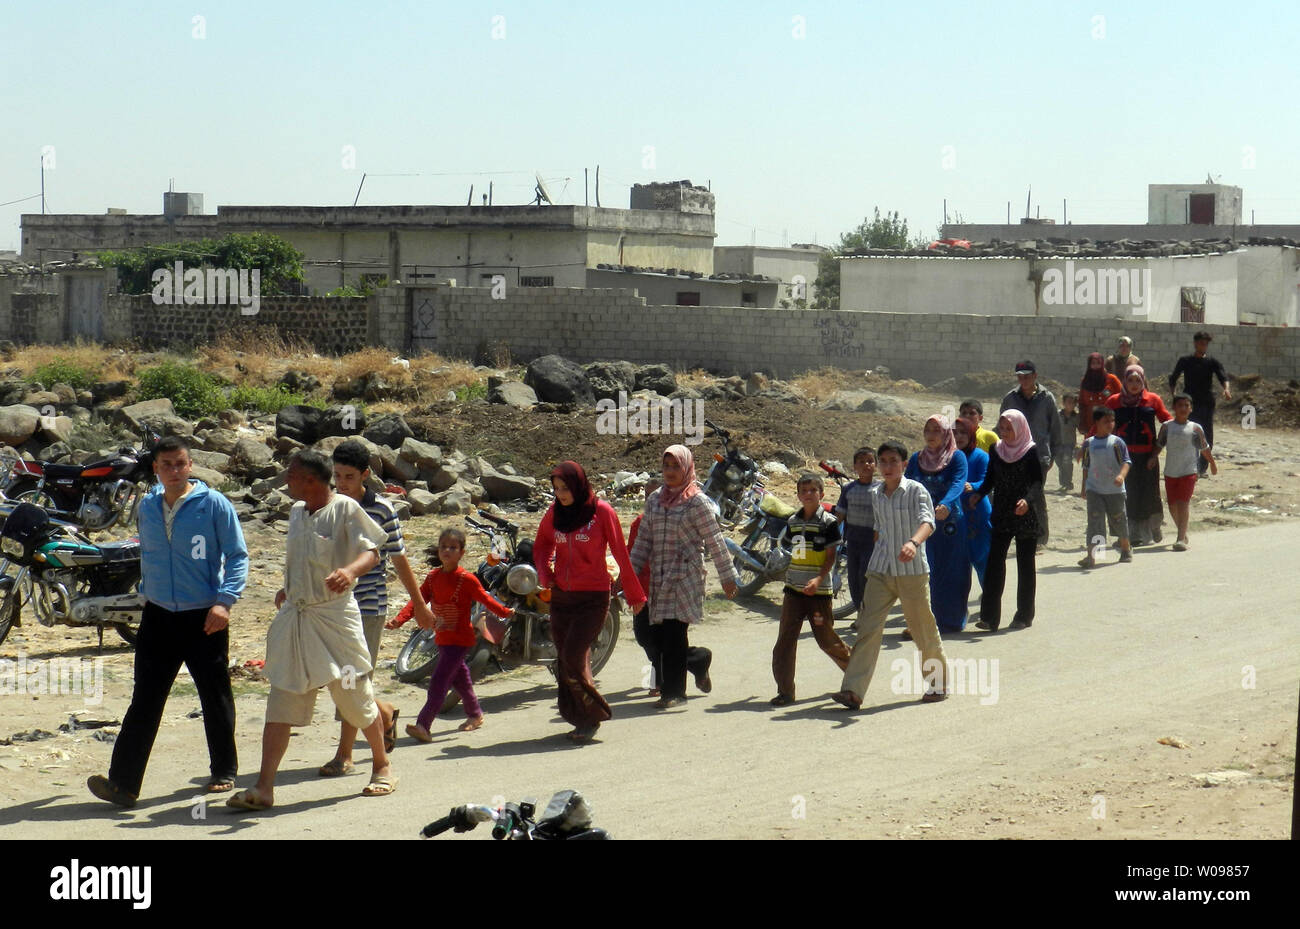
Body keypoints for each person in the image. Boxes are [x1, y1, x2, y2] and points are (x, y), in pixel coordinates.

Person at [227, 450, 394, 810]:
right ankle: (264, 786)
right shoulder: (297, 513)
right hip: (298, 619)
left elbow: (373, 553)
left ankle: (381, 765)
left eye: (292, 475)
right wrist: (290, 588)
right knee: (282, 699)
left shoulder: (345, 509)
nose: (287, 480)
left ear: (311, 481)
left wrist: (350, 572)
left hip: (335, 620)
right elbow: (301, 559)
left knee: (353, 695)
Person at [87, 436, 248, 808]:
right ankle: (123, 785)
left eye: (181, 464)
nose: (175, 471)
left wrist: (224, 602)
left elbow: (237, 556)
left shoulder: (214, 505)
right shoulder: (147, 506)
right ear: (156, 469)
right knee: (145, 699)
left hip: (204, 615)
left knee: (214, 694)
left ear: (190, 465)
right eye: (167, 465)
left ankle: (224, 769)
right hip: (158, 615)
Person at [319, 441, 433, 777]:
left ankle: (345, 755)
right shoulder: (327, 506)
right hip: (331, 607)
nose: (341, 482)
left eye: (349, 476)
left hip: (369, 607)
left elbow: (399, 559)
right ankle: (383, 713)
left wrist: (420, 607)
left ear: (366, 475)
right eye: (337, 475)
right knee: (338, 677)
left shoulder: (382, 509)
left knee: (352, 679)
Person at [831, 441, 948, 710]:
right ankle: (852, 691)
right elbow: (879, 529)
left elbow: (928, 521)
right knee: (867, 629)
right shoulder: (876, 494)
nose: (887, 466)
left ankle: (938, 684)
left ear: (904, 464)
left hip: (911, 572)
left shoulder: (916, 490)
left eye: (893, 461)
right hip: (881, 570)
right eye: (883, 461)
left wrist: (913, 543)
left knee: (923, 631)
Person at [533, 460, 645, 741]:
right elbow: (541, 544)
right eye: (557, 489)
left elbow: (620, 553)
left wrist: (634, 594)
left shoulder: (601, 512)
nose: (561, 494)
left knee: (573, 655)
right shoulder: (554, 513)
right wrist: (545, 575)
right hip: (561, 598)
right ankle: (579, 718)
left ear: (579, 485)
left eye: (566, 488)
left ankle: (593, 716)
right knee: (565, 660)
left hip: (593, 599)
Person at [628, 446, 738, 709]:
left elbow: (715, 541)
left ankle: (674, 692)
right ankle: (698, 660)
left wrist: (727, 576)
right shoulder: (655, 499)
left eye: (676, 466)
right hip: (659, 575)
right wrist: (629, 576)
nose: (670, 472)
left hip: (685, 575)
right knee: (653, 635)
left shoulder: (697, 502)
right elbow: (643, 540)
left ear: (687, 468)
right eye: (666, 466)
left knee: (674, 634)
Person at [391, 528, 513, 741]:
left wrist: (505, 612)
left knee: (438, 681)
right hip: (442, 638)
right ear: (438, 551)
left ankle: (423, 724)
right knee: (461, 679)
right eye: (443, 547)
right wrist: (399, 619)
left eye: (453, 547)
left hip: (459, 640)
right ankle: (475, 715)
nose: (447, 551)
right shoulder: (432, 577)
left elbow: (486, 599)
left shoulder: (466, 579)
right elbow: (417, 601)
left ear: (461, 553)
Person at [768, 472, 851, 706]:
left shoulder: (829, 523)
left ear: (821, 494)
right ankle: (785, 691)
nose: (808, 495)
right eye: (803, 491)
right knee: (784, 642)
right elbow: (795, 553)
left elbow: (831, 556)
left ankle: (856, 673)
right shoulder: (793, 522)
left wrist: (818, 579)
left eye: (813, 490)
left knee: (827, 640)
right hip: (793, 590)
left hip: (819, 592)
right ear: (798, 495)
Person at [969, 411, 1042, 631]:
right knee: (994, 563)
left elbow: (1038, 482)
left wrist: (1027, 501)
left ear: (1020, 428)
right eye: (1002, 428)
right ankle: (989, 617)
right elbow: (991, 477)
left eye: (1009, 428)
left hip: (1024, 513)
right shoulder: (996, 450)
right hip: (1001, 511)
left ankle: (1024, 615)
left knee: (1025, 564)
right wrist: (979, 493)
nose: (1005, 433)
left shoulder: (1030, 450)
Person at [905, 415, 970, 633]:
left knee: (952, 572)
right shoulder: (917, 459)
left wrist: (946, 503)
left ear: (945, 434)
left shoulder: (956, 457)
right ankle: (923, 623)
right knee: (924, 573)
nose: (931, 435)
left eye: (936, 430)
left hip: (949, 523)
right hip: (922, 524)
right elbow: (906, 484)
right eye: (928, 430)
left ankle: (951, 620)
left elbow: (959, 481)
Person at [1105, 366, 1172, 547]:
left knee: (1150, 494)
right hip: (1121, 458)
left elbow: (1168, 423)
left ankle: (1154, 527)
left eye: (1137, 381)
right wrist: (1089, 446)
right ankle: (1128, 535)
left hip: (1147, 457)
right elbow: (1102, 425)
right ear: (1124, 381)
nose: (1134, 385)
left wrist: (1157, 450)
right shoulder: (1113, 402)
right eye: (1130, 380)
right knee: (1127, 495)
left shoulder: (1152, 400)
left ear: (1143, 381)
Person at [999, 361, 1060, 549]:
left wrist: (1053, 457)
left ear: (1035, 376)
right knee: (1015, 494)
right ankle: (1020, 534)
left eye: (1027, 376)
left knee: (1036, 495)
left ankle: (1040, 537)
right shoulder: (1010, 398)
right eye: (1020, 376)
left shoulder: (1047, 398)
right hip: (1014, 455)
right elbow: (1001, 425)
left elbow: (1055, 429)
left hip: (1039, 455)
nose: (1023, 380)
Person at [1156, 392, 1218, 551]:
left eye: (1186, 405)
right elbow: (1159, 445)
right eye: (1180, 405)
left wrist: (1212, 463)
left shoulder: (1195, 429)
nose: (1183, 408)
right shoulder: (1167, 427)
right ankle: (1182, 531)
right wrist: (1151, 459)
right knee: (1172, 505)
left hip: (1189, 471)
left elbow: (1204, 448)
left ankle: (1180, 538)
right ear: (1174, 408)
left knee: (1183, 503)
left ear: (1191, 409)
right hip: (1170, 471)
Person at [1169, 331, 1231, 477]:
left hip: (1206, 403)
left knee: (1206, 435)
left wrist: (1227, 389)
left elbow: (1223, 376)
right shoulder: (1185, 361)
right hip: (1188, 404)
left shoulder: (1211, 362)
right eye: (1201, 343)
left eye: (1206, 344)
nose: (1204, 346)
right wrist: (1174, 396)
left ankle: (1201, 468)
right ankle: (1188, 466)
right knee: (1188, 434)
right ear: (1195, 343)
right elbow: (1173, 378)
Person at [1077, 407, 1132, 568]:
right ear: (1097, 423)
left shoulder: (1117, 442)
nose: (1110, 424)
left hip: (1114, 491)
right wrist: (1084, 487)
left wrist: (1121, 475)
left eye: (1112, 421)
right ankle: (1093, 556)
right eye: (1105, 421)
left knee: (1118, 520)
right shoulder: (1089, 443)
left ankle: (1125, 549)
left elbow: (1126, 462)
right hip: (1094, 489)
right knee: (1095, 521)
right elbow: (1086, 466)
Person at [833, 447, 878, 615]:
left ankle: (869, 616)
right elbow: (840, 515)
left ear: (875, 465)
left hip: (873, 542)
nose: (866, 464)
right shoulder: (848, 489)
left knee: (865, 577)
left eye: (870, 461)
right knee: (853, 579)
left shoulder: (881, 489)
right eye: (861, 462)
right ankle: (861, 613)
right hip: (852, 541)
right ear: (854, 467)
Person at [954, 417, 991, 587]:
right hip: (955, 516)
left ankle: (988, 598)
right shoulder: (947, 458)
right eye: (954, 433)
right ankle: (959, 607)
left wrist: (973, 485)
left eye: (963, 433)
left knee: (982, 560)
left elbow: (988, 480)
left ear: (971, 435)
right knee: (958, 565)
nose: (958, 437)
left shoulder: (980, 456)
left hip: (978, 514)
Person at [1078, 352, 1123, 438]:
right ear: (1089, 365)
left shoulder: (1112, 380)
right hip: (1091, 424)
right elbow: (1082, 403)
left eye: (1098, 363)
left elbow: (1121, 399)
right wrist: (1082, 423)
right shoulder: (1085, 381)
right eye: (1093, 363)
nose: (1096, 366)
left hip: (1109, 424)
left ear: (1102, 364)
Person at [1055, 392, 1080, 492]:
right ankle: (1064, 483)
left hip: (1069, 444)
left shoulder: (1076, 417)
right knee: (1060, 463)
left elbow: (1080, 428)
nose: (1071, 405)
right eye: (1069, 402)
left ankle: (1068, 483)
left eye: (1073, 403)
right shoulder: (1058, 414)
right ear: (1064, 403)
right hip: (1058, 443)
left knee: (1067, 462)